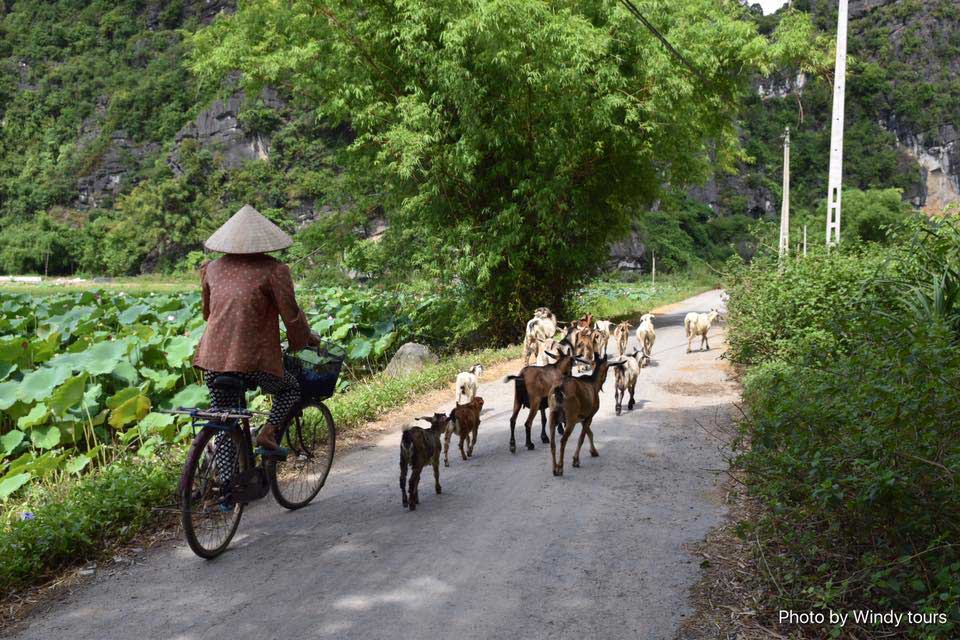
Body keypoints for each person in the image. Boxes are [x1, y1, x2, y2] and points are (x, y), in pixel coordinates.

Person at [193, 204, 319, 451]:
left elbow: (207, 313)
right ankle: (268, 434)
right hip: (252, 361)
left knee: (224, 421)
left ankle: (226, 485)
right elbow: (291, 316)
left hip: (213, 358)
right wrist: (304, 340)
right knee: (291, 389)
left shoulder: (212, 268)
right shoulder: (274, 270)